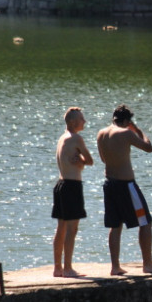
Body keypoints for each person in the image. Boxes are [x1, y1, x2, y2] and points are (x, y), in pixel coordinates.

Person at [96, 104, 152, 274]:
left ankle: (115, 267)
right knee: (145, 222)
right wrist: (138, 130)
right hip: (126, 185)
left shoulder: (101, 133)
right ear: (126, 121)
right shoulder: (126, 133)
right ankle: (148, 264)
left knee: (115, 225)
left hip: (109, 184)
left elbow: (103, 159)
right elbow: (149, 148)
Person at [52, 107, 94, 277]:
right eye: (81, 119)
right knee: (72, 229)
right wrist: (82, 160)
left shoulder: (62, 138)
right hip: (72, 186)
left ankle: (58, 268)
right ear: (72, 122)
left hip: (60, 184)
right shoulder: (76, 138)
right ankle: (68, 268)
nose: (84, 121)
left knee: (61, 227)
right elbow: (90, 160)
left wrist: (79, 161)